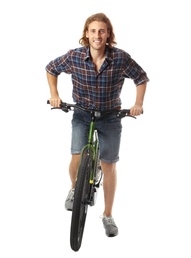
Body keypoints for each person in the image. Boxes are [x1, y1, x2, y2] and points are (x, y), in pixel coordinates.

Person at [45, 12, 149, 237]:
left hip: (111, 116)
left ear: (108, 34)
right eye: (93, 31)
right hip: (82, 113)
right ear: (86, 34)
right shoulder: (74, 57)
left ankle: (108, 215)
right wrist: (54, 94)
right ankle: (74, 189)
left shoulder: (120, 58)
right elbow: (51, 68)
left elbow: (141, 78)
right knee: (76, 156)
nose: (97, 35)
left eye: (102, 31)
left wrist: (137, 104)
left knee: (109, 165)